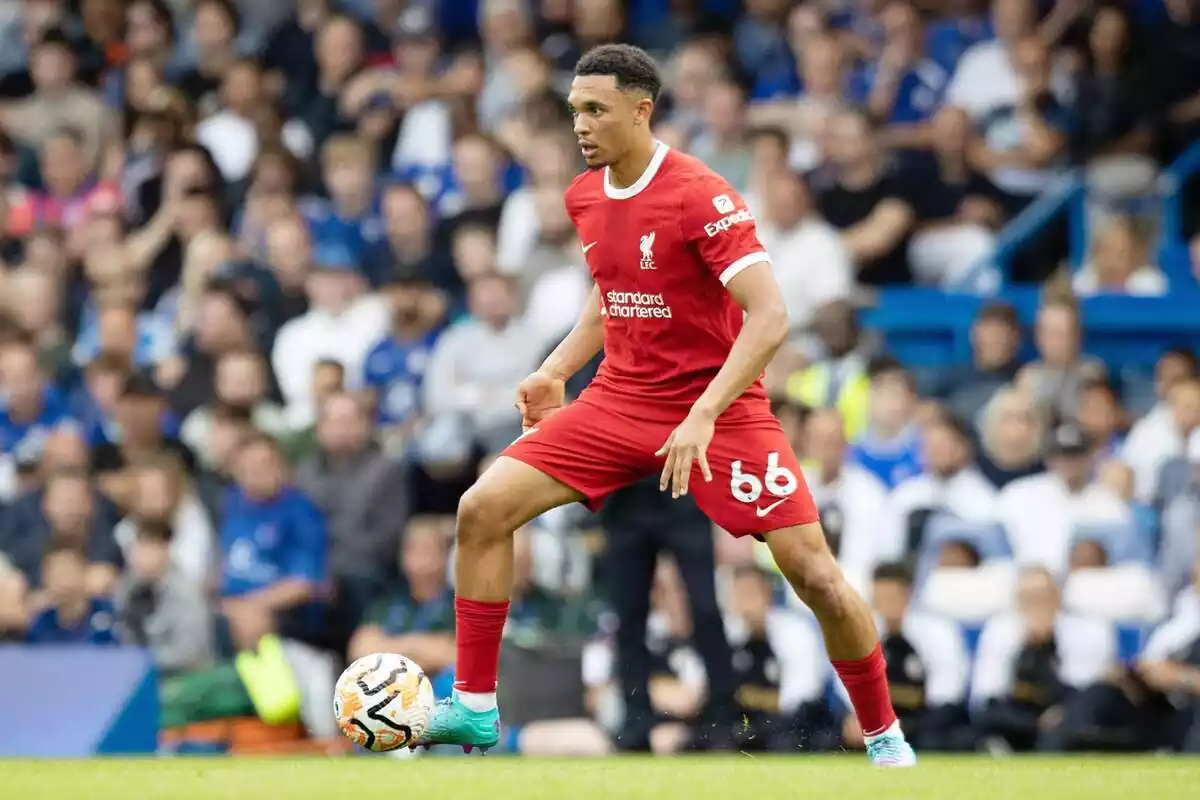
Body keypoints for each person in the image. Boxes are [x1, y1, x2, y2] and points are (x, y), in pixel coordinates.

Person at [412, 43, 914, 766]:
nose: (580, 125)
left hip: (721, 409)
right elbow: (611, 290)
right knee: (480, 510)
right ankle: (476, 709)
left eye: (596, 110)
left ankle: (882, 734)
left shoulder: (700, 193)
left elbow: (769, 316)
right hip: (618, 401)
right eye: (574, 110)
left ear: (642, 111)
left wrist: (704, 414)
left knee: (816, 577)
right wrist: (556, 369)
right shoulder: (585, 195)